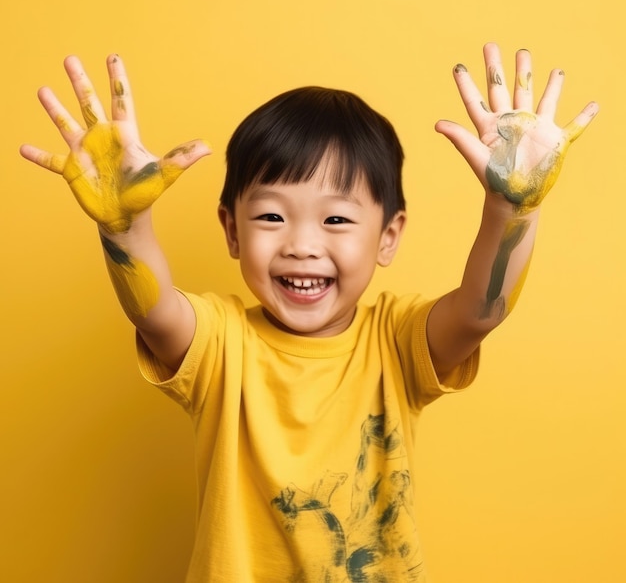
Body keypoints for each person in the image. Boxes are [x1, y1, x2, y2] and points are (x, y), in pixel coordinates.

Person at [20, 44, 598, 582]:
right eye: (271, 217)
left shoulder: (395, 341)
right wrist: (124, 226)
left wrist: (511, 209)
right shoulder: (221, 341)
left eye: (337, 220)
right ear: (232, 230)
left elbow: (479, 312)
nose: (301, 244)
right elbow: (154, 314)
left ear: (388, 237)